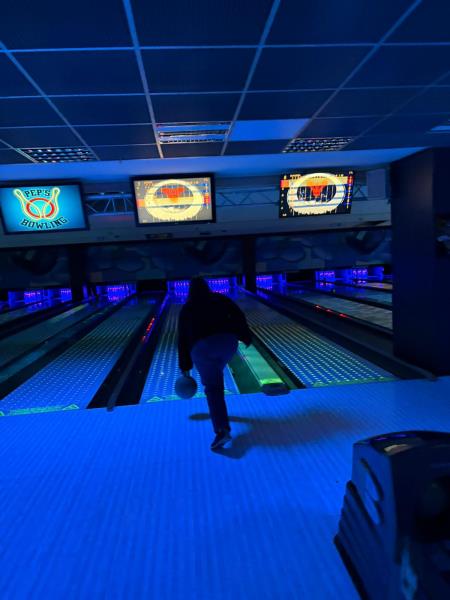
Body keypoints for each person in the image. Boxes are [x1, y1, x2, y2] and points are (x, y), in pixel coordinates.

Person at [178, 277, 252, 450]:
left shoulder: (187, 308)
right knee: (215, 377)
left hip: (203, 348)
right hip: (228, 344)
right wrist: (245, 336)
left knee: (213, 388)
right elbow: (239, 316)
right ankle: (220, 417)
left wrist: (185, 367)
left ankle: (222, 430)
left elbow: (182, 339)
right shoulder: (221, 298)